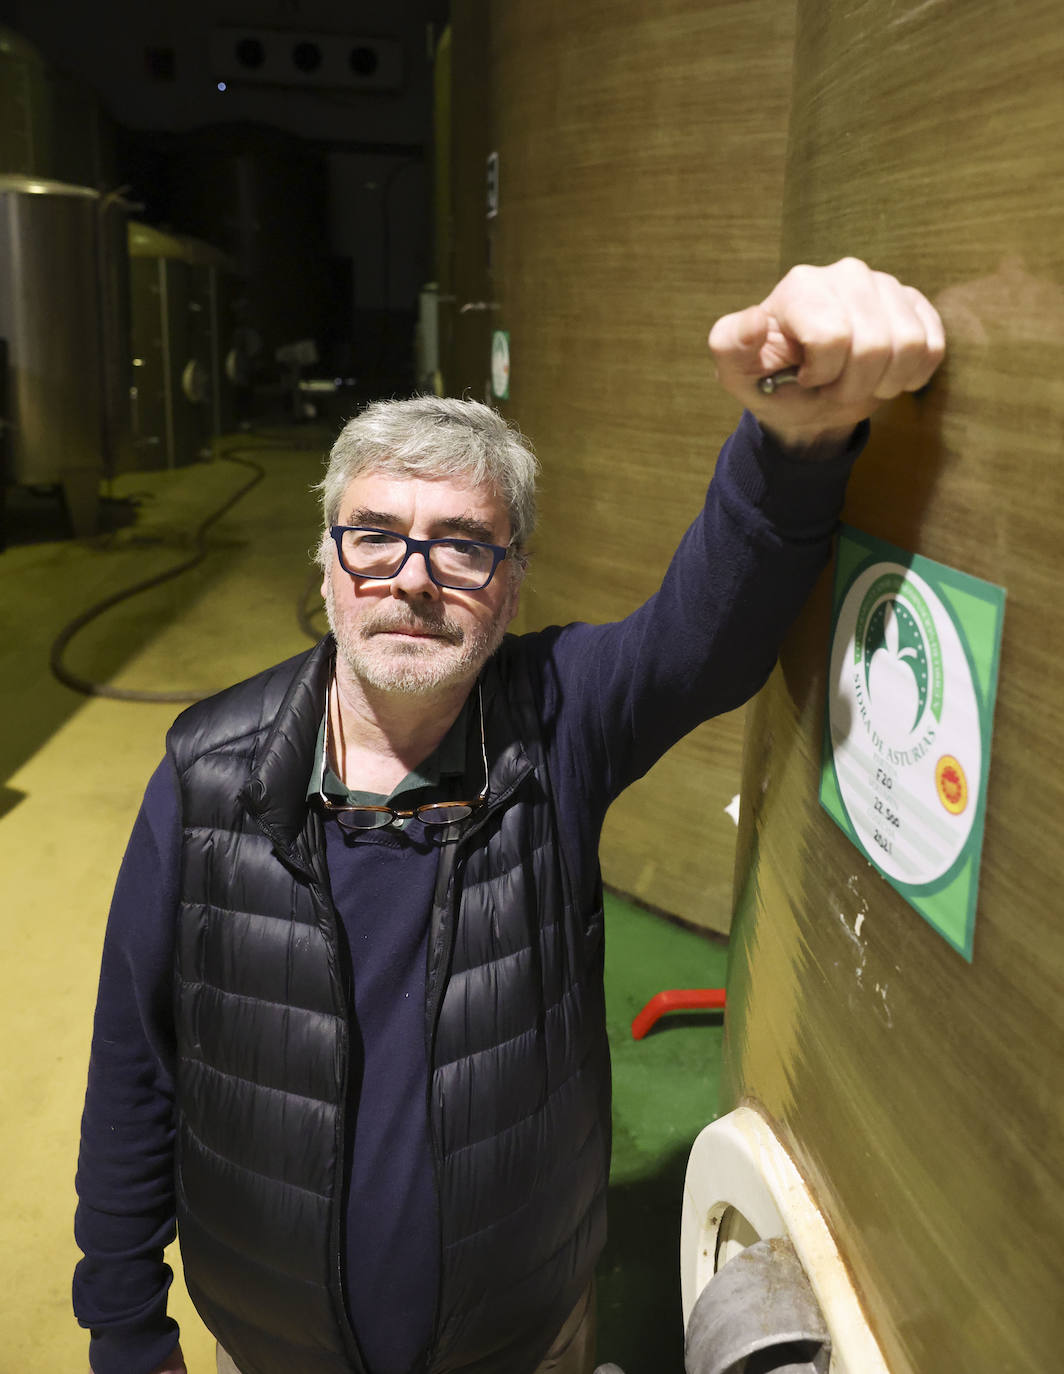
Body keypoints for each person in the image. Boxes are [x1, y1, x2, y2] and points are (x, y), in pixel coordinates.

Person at [73, 258, 944, 1374]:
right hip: (272, 1340)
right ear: (329, 565)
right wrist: (124, 1330)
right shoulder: (204, 775)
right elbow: (135, 1069)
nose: (413, 576)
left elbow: (705, 633)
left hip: (525, 1335)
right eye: (375, 533)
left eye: (465, 544)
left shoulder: (560, 717)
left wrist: (795, 440)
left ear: (514, 580)